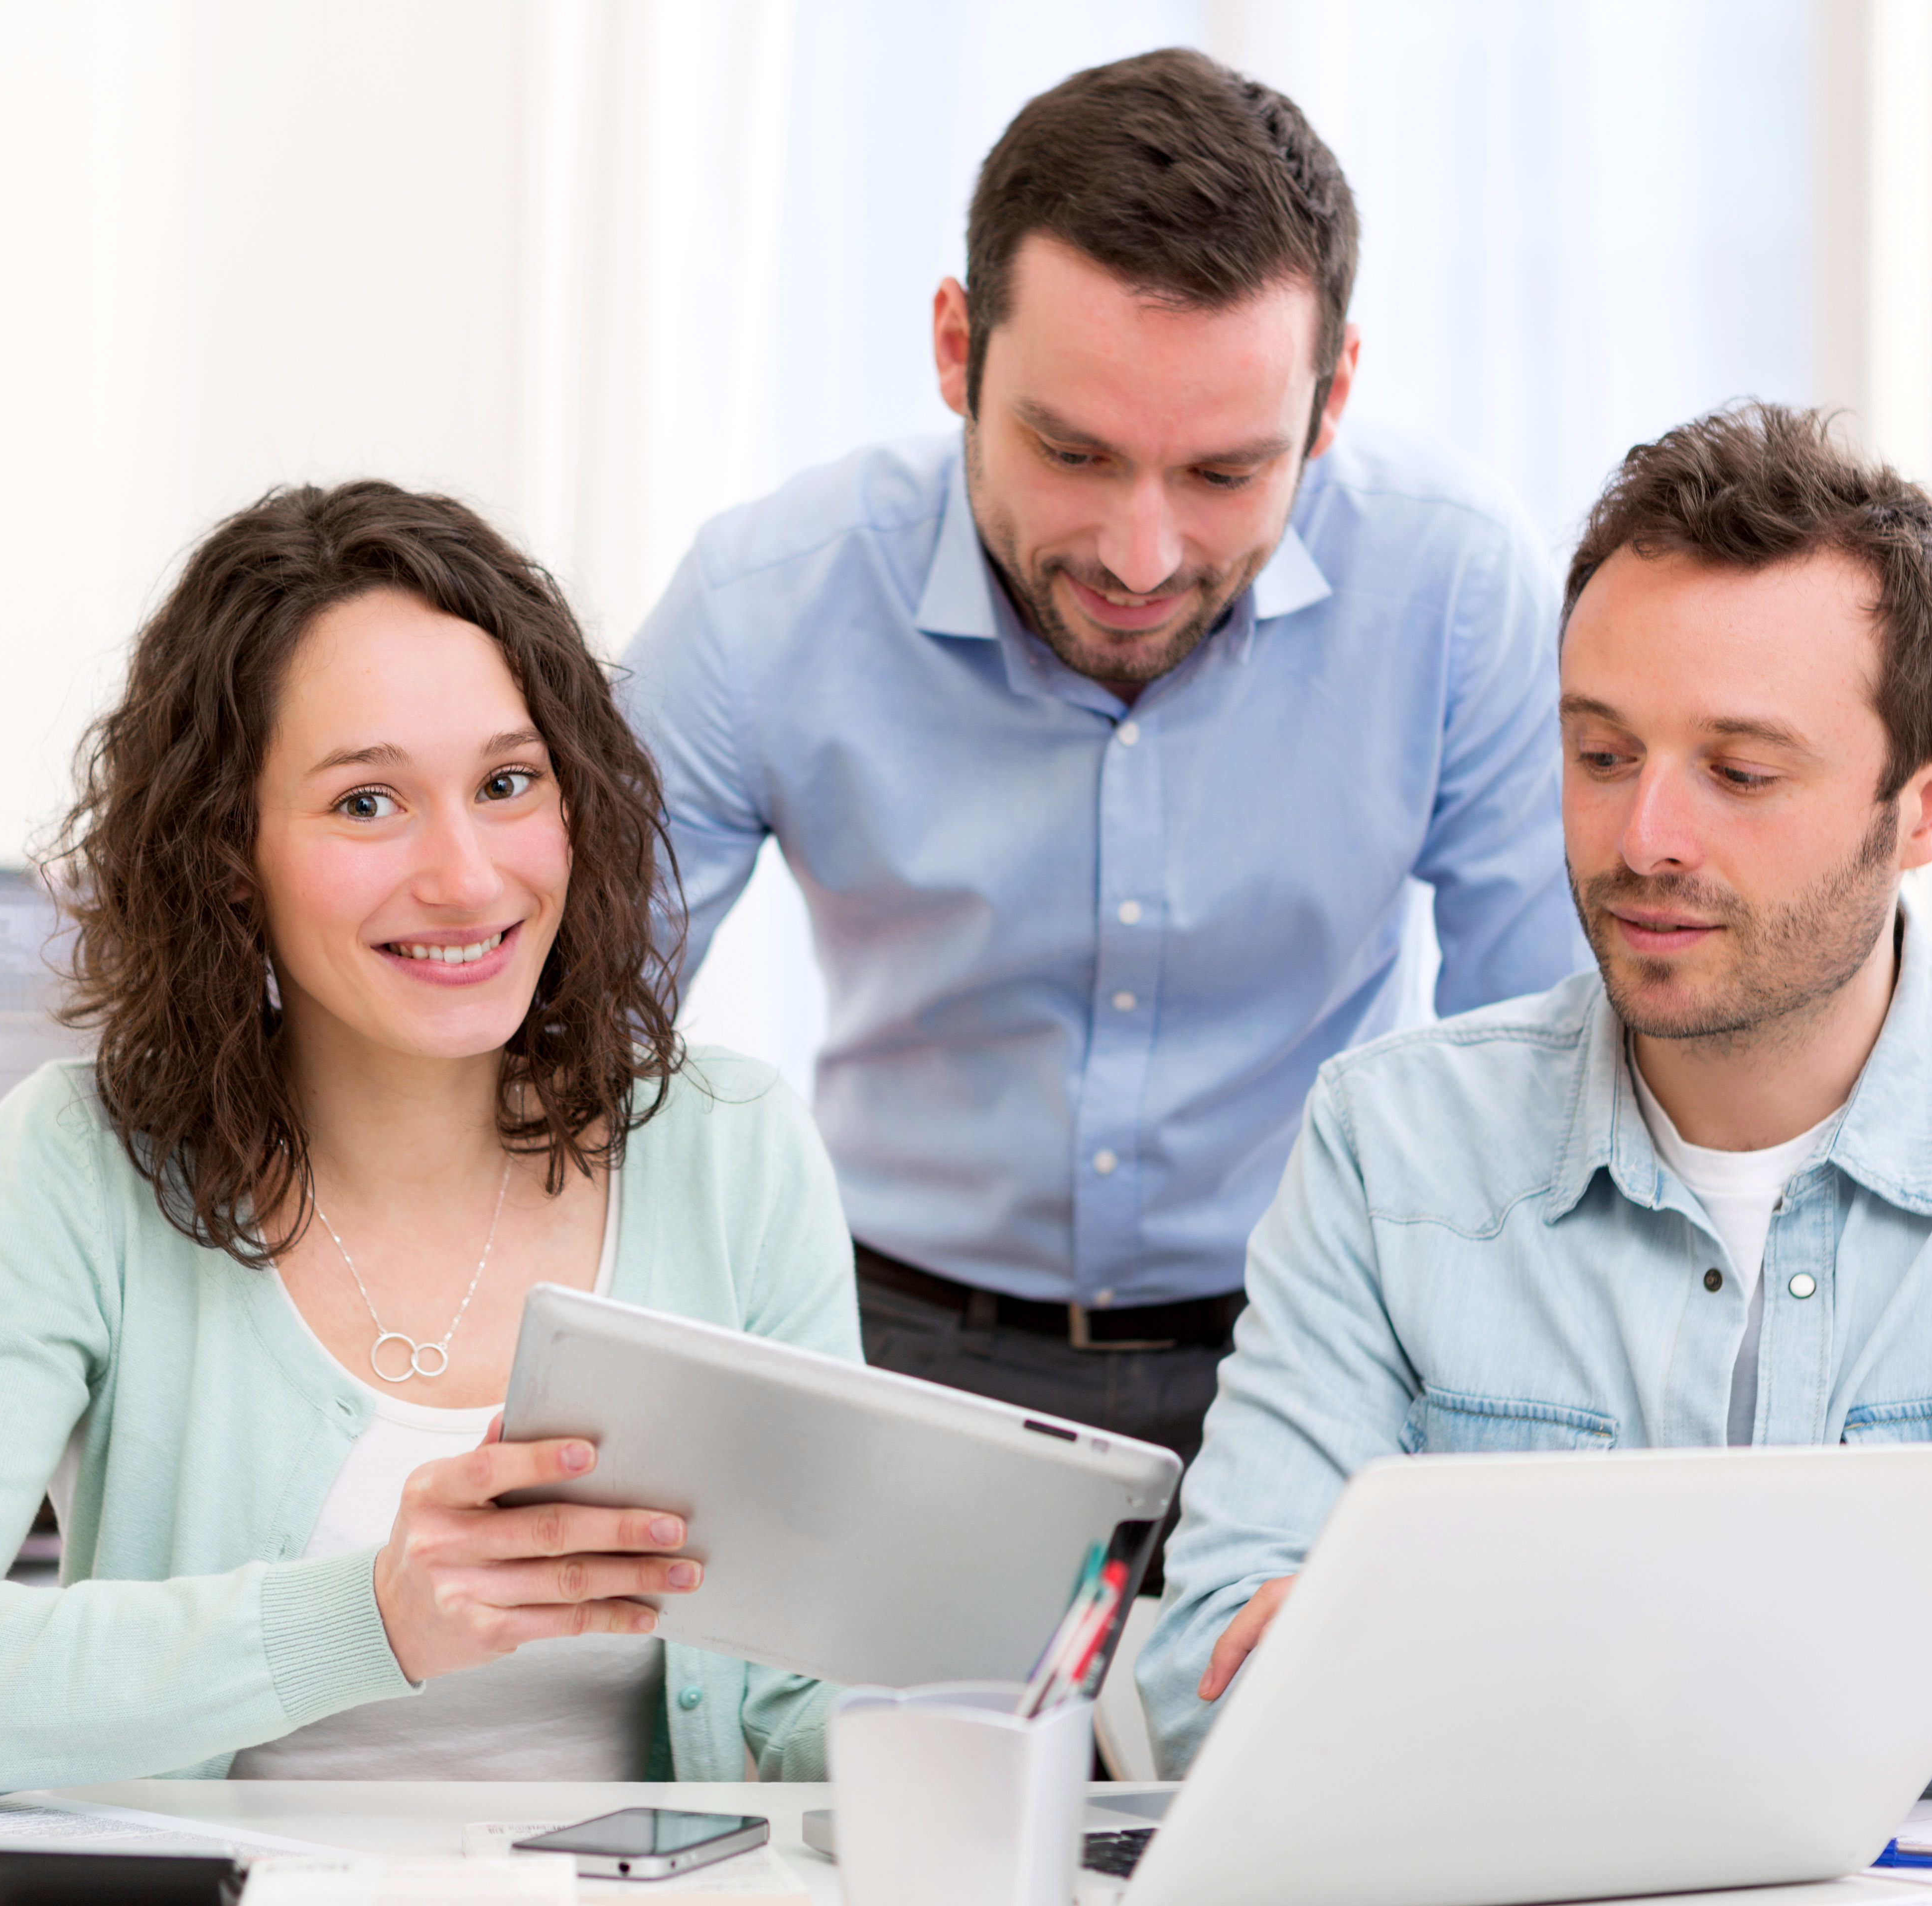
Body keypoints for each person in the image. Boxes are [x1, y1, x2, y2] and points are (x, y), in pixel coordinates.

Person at [1141, 404, 1932, 1805]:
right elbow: (1205, 1684)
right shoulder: (1390, 1145)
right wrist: (1867, 1649)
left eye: (1742, 773)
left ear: (1927, 807)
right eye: (1600, 755)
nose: (1645, 837)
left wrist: (1527, 1648)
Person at [623, 49, 1586, 1507]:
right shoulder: (770, 597)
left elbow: (1539, 1080)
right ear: (958, 351)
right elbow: (572, 1036)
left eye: (1222, 474)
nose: (1142, 559)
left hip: (1323, 1341)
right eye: (1073, 452)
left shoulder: (1454, 584)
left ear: (1331, 404)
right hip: (889, 1341)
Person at [0, 482, 858, 1800]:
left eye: (508, 782)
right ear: (227, 855)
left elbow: (804, 1698)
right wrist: (369, 1619)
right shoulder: (78, 1166)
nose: (468, 877)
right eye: (368, 804)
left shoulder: (731, 1151)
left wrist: (974, 1718)